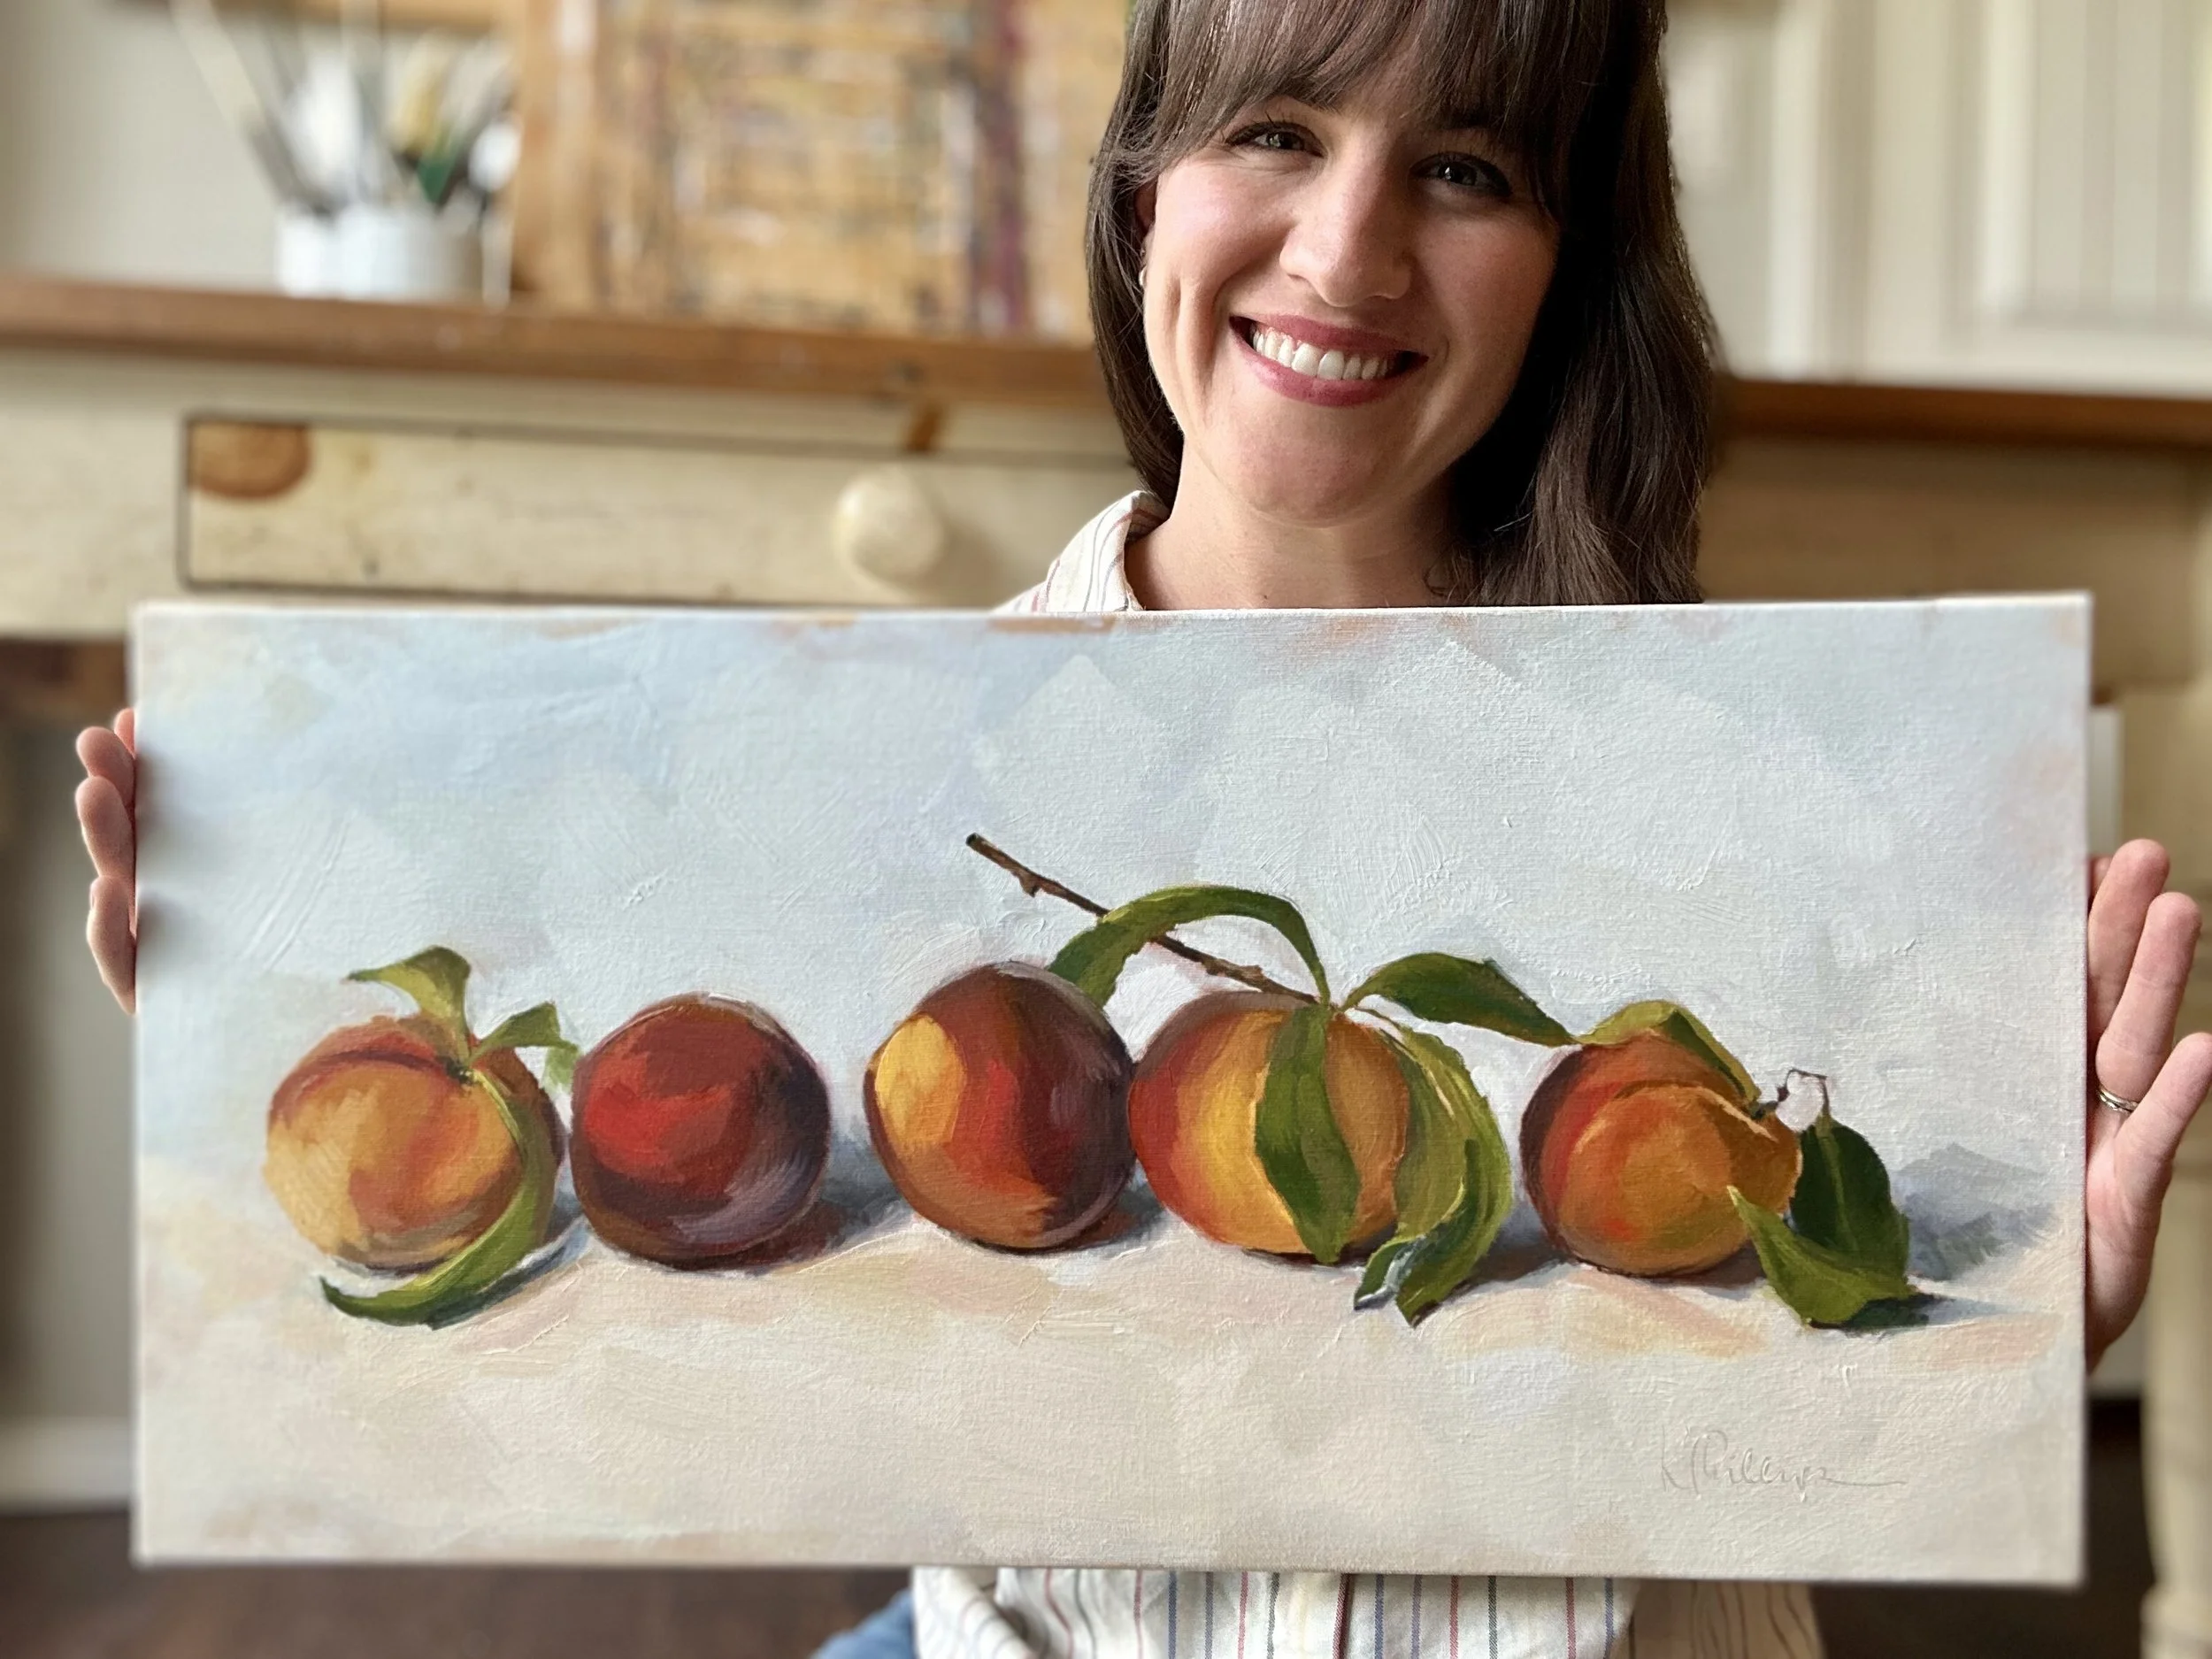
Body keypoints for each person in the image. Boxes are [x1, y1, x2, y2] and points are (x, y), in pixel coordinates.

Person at [74, 0, 2212, 1653]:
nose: (1345, 248)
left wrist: (2008, 1333)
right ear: (1137, 199)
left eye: (1462, 167)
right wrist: (246, 1029)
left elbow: (1768, 1398)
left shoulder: (1738, 801)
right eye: (1273, 129)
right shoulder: (889, 789)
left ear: (1569, 266)